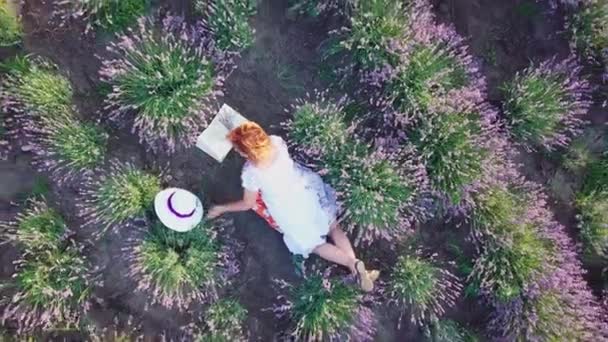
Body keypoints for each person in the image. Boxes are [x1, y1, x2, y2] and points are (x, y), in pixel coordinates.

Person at [207, 121, 379, 291]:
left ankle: (351, 263)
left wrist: (222, 208)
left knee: (314, 245)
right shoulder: (276, 143)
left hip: (288, 210)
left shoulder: (252, 173)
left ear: (247, 153)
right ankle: (355, 266)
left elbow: (247, 203)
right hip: (303, 191)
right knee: (333, 226)